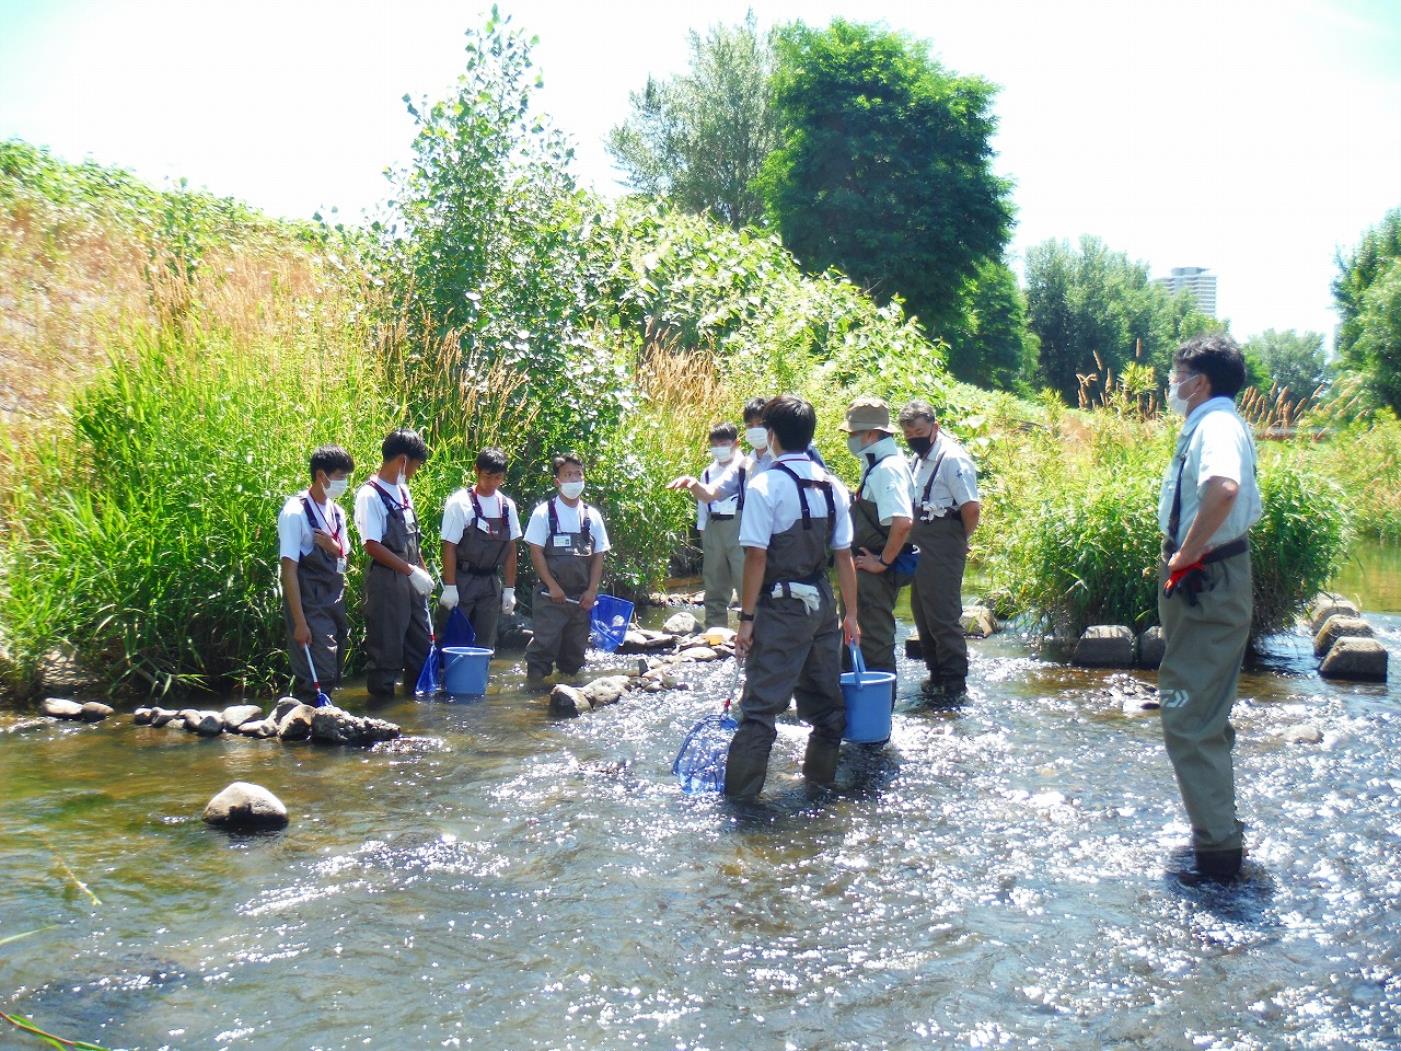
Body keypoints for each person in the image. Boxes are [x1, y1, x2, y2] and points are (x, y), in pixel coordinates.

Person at [1156, 334, 1262, 883]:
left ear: (1198, 382)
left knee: (1189, 716)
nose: (1170, 386)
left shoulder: (1216, 425)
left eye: (1175, 377)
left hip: (1207, 576)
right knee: (1203, 711)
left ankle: (1218, 854)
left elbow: (1222, 488)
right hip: (1209, 575)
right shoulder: (1212, 423)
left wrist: (1186, 555)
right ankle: (1220, 829)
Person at [726, 395, 861, 800]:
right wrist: (850, 615)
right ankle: (819, 789)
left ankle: (740, 807)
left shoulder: (765, 484)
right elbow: (844, 558)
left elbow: (756, 557)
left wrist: (746, 619)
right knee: (828, 709)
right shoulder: (833, 485)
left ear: (771, 435)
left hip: (780, 607)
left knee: (759, 712)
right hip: (822, 606)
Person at [899, 400, 981, 701]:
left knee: (943, 615)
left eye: (919, 431)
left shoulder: (953, 460)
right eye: (908, 434)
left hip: (944, 540)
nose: (914, 438)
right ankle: (935, 676)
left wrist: (957, 540)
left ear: (935, 426)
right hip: (920, 542)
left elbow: (971, 508)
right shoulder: (919, 457)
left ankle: (955, 684)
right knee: (922, 612)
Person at [840, 396, 916, 689]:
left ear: (871, 434)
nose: (850, 439)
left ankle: (879, 721)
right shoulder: (878, 463)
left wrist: (882, 562)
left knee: (874, 644)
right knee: (856, 640)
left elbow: (903, 522)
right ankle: (857, 715)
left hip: (875, 573)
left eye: (853, 434)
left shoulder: (888, 469)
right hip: (864, 571)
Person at [354, 428, 435, 698]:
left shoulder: (403, 491)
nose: (416, 470)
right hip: (387, 583)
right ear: (402, 460)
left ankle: (413, 712)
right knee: (386, 652)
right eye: (416, 464)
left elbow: (414, 539)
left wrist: (421, 571)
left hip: (411, 580)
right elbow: (371, 545)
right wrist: (409, 570)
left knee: (421, 647)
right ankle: (381, 715)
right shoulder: (370, 494)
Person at [523, 453, 610, 688]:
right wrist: (553, 586)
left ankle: (570, 694)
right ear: (557, 481)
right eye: (568, 475)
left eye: (578, 474)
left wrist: (592, 591)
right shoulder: (544, 513)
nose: (574, 479)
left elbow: (599, 555)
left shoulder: (592, 516)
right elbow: (536, 552)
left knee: (574, 655)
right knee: (543, 648)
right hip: (550, 597)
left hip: (580, 600)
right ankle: (533, 695)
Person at [278, 444, 355, 702]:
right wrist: (299, 623)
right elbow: (288, 570)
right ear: (321, 476)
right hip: (309, 604)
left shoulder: (337, 512)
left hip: (334, 599)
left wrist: (333, 547)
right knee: (316, 673)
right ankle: (302, 725)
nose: (344, 483)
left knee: (333, 669)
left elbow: (345, 553)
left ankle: (319, 722)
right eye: (340, 477)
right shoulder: (294, 513)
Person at [439, 447, 521, 648]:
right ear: (476, 471)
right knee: (454, 639)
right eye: (488, 476)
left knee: (486, 643)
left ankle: (481, 678)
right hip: (462, 579)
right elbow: (449, 546)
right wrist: (450, 587)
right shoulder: (460, 503)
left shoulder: (507, 506)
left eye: (499, 478)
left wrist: (509, 589)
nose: (493, 483)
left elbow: (511, 550)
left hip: (491, 583)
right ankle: (447, 678)